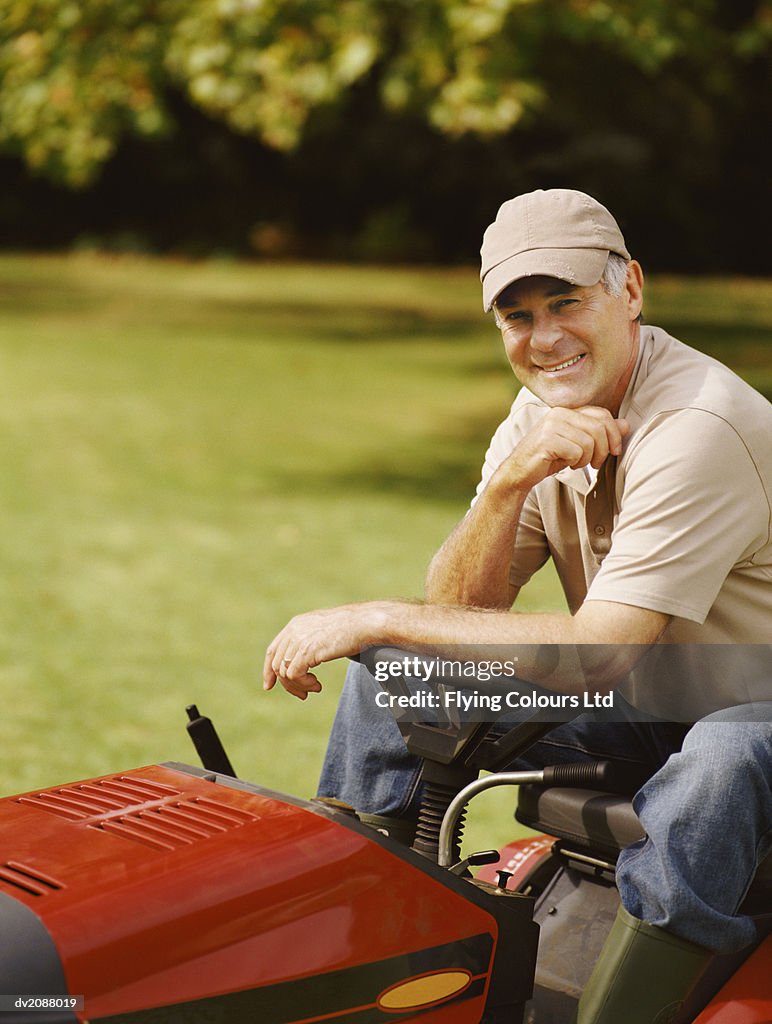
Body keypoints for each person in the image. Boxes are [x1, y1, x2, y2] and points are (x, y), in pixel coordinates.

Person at [263, 189, 772, 1024]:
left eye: (566, 303)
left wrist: (379, 616)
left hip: (751, 708)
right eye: (518, 316)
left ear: (632, 290)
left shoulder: (697, 427)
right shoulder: (543, 410)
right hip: (659, 695)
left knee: (721, 758)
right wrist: (506, 485)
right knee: (399, 680)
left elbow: (602, 651)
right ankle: (358, 973)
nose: (544, 338)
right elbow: (459, 612)